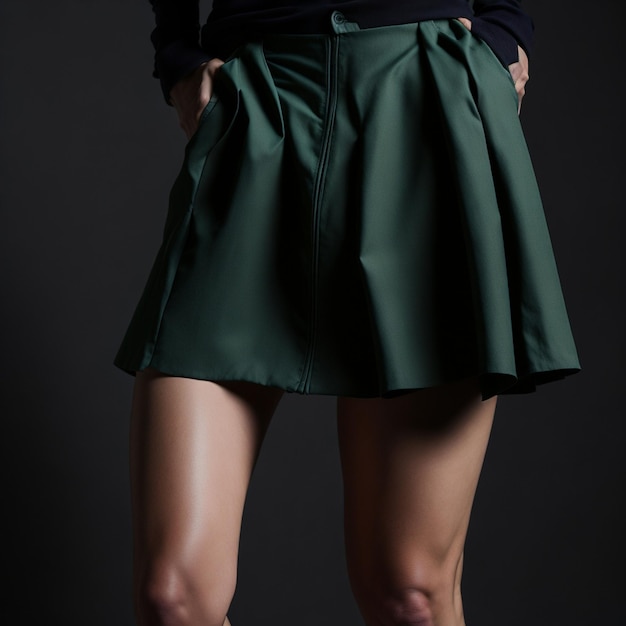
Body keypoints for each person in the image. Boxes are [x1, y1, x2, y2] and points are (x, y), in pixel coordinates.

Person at [115, 1, 581, 624]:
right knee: (173, 598)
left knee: (408, 593)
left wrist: (502, 30)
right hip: (260, 97)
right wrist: (176, 53)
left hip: (422, 92)